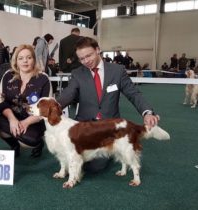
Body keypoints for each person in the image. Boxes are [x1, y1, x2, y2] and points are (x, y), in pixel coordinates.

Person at [57, 37, 160, 172]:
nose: (86, 61)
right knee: (71, 158)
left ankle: (112, 148)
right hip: (84, 126)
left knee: (94, 167)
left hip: (108, 128)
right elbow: (68, 94)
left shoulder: (117, 71)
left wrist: (147, 112)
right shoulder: (77, 73)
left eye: (89, 55)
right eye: (81, 59)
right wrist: (53, 106)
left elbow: (133, 93)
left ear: (98, 50)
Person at [0, 44, 51, 157]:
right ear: (16, 61)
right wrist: (12, 120)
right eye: (21, 58)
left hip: (34, 120)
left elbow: (46, 108)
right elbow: (1, 102)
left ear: (34, 60)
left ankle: (38, 144)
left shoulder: (43, 78)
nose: (25, 61)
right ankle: (14, 145)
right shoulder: (8, 75)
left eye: (29, 57)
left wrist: (26, 122)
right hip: (12, 117)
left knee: (31, 140)